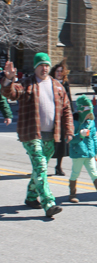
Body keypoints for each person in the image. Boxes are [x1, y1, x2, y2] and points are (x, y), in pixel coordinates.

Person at [1, 53, 74, 218]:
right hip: (31, 134)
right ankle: (49, 203)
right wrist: (8, 80)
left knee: (39, 169)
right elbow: (10, 93)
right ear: (35, 67)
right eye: (41, 65)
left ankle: (31, 197)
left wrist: (69, 130)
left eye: (47, 65)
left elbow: (67, 110)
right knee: (41, 167)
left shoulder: (58, 86)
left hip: (51, 135)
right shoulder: (26, 83)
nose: (44, 68)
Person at [68, 95, 97, 204]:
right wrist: (80, 135)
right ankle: (72, 195)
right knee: (75, 173)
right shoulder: (74, 122)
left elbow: (94, 138)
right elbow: (69, 139)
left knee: (94, 172)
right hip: (78, 152)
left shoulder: (91, 123)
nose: (89, 116)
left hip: (89, 153)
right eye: (88, 114)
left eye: (90, 114)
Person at [49, 59, 75, 176]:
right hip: (51, 116)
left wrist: (72, 114)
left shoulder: (64, 84)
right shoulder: (49, 82)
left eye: (61, 71)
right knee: (48, 142)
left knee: (62, 144)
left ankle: (58, 166)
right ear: (53, 72)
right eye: (57, 71)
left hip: (62, 117)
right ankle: (41, 165)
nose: (59, 73)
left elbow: (69, 100)